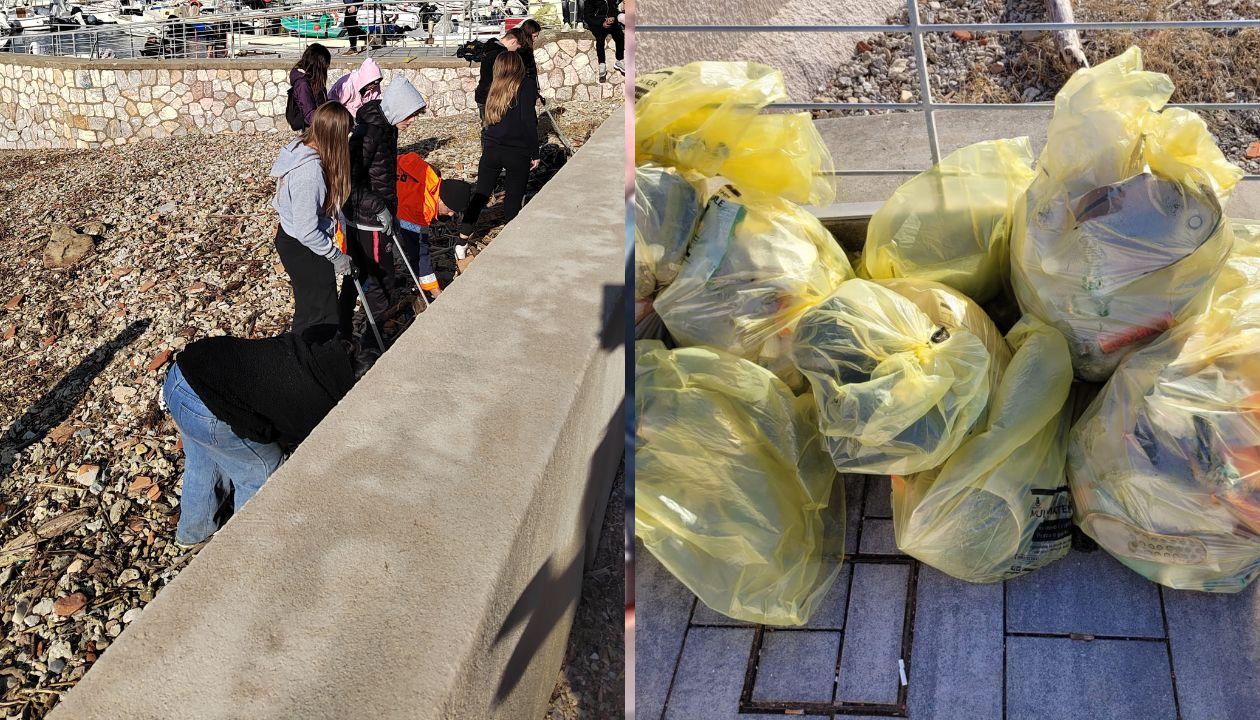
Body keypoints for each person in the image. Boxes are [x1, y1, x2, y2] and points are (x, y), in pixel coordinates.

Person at [162, 324, 355, 545]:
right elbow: (262, 432)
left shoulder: (297, 349)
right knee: (261, 472)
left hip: (180, 378)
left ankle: (191, 533)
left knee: (205, 461)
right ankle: (244, 546)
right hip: (208, 409)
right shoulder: (317, 402)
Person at [340, 78, 428, 333]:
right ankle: (370, 338)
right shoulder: (369, 133)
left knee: (358, 274)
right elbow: (349, 181)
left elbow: (382, 174)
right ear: (397, 108)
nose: (412, 121)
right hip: (368, 219)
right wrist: (379, 208)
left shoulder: (388, 125)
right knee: (381, 278)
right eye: (410, 115)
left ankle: (344, 331)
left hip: (376, 212)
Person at [271, 102, 356, 336]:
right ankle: (316, 360)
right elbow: (307, 230)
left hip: (293, 239)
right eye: (345, 134)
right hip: (303, 246)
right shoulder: (310, 174)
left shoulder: (301, 146)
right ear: (334, 137)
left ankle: (300, 357)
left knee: (309, 306)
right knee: (321, 312)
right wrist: (335, 256)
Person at [460, 51, 538, 244]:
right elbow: (529, 121)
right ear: (518, 66)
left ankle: (461, 239)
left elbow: (488, 124)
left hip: (492, 149)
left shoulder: (492, 88)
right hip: (517, 151)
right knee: (513, 198)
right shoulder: (526, 85)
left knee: (480, 194)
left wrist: (487, 145)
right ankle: (511, 240)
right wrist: (535, 152)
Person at [396, 153, 472, 300]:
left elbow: (407, 158)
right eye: (450, 210)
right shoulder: (420, 212)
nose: (450, 215)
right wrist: (436, 292)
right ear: (441, 200)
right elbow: (420, 255)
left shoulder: (429, 173)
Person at [474, 26, 532, 120]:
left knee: (488, 128)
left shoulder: (489, 47)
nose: (516, 52)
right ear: (513, 41)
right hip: (493, 98)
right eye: (517, 48)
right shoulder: (501, 56)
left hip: (482, 93)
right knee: (496, 128)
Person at [289, 42, 331, 129]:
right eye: (325, 67)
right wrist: (330, 121)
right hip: (313, 128)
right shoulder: (303, 84)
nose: (326, 69)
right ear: (318, 66)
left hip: (319, 123)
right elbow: (309, 114)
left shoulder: (313, 79)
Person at [582, 0, 623, 82]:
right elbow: (588, 17)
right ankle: (602, 64)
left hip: (609, 21)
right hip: (597, 23)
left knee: (620, 35)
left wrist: (613, 18)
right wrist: (602, 22)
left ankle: (620, 60)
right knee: (600, 39)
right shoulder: (590, 1)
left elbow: (614, 10)